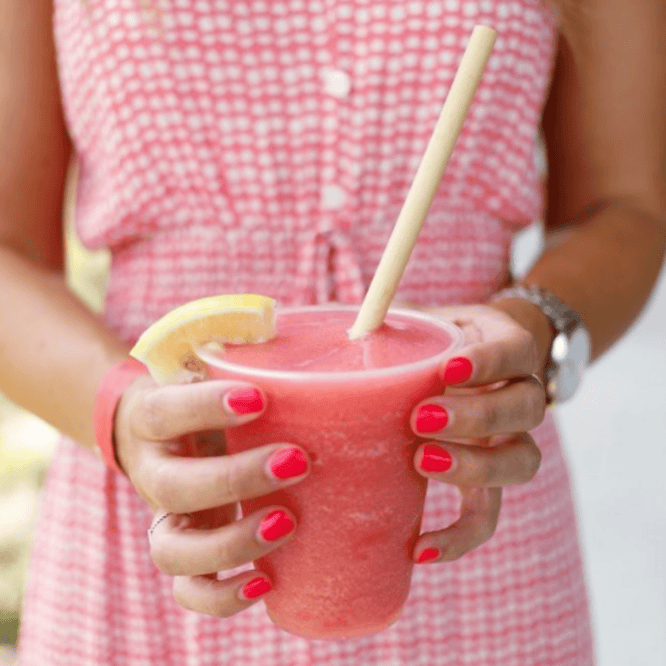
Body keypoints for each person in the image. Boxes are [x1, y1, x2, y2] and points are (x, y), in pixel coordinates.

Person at [2, 0, 664, 664]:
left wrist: (533, 326)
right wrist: (123, 412)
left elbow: (626, 207)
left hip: (462, 499)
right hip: (165, 519)